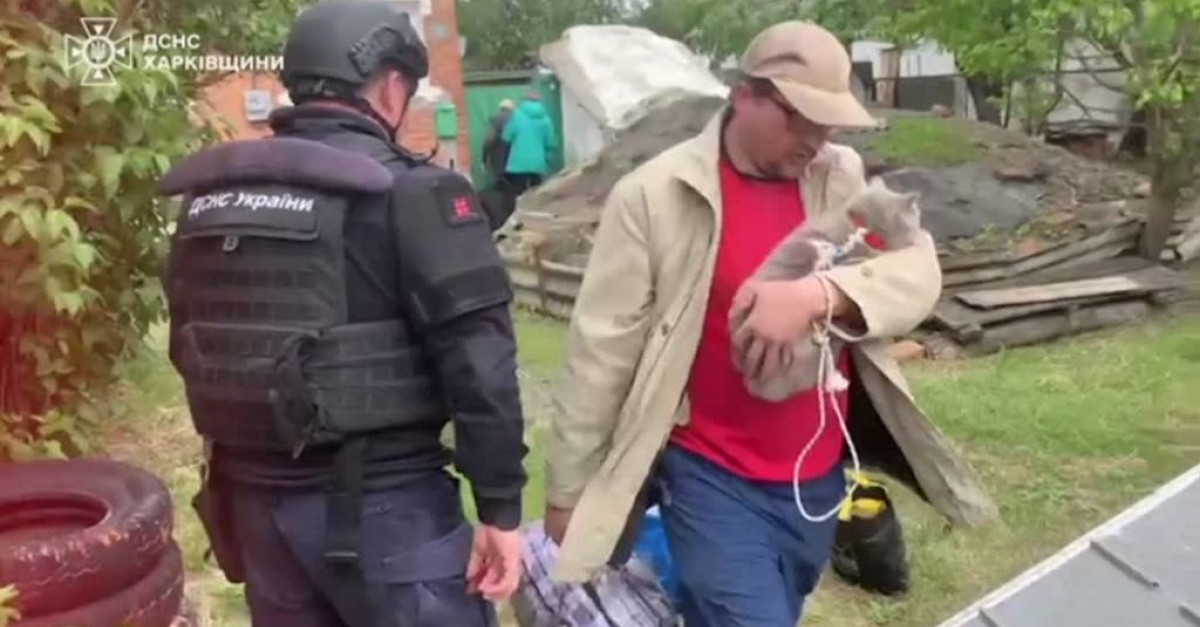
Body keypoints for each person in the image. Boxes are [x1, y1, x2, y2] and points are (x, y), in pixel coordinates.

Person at [542, 20, 999, 627]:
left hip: (815, 477)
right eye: (798, 118)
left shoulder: (839, 175)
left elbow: (918, 270)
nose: (815, 139)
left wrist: (819, 294)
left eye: (827, 122)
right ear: (744, 95)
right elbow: (600, 355)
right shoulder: (654, 196)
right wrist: (567, 491)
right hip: (709, 474)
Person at [156, 2, 527, 625]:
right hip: (390, 513)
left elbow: (189, 347)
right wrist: (501, 508)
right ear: (391, 85)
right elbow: (481, 365)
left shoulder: (211, 201)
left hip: (257, 512)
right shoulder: (416, 193)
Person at [501, 90, 557, 194]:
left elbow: (506, 136)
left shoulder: (517, 116)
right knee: (536, 194)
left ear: (525, 100)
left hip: (518, 163)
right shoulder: (546, 119)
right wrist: (547, 158)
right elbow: (550, 142)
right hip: (538, 163)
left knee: (519, 193)